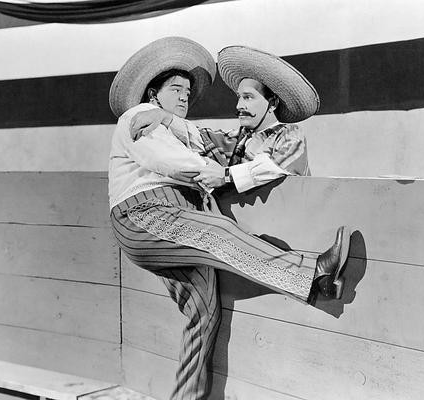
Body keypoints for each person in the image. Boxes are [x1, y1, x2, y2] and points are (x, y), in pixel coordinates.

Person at [109, 37, 350, 400]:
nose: (184, 98)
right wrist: (202, 161)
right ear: (153, 94)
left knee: (204, 312)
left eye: (187, 92)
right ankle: (314, 275)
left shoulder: (283, 135)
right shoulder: (139, 116)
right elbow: (175, 159)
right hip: (148, 212)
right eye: (176, 90)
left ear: (272, 102)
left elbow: (235, 153)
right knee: (219, 233)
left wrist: (216, 168)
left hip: (177, 214)